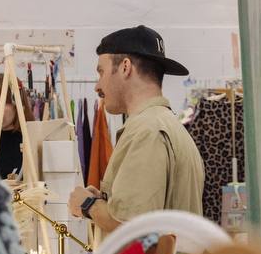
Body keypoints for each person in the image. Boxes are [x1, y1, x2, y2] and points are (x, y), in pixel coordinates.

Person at [67, 26, 204, 235]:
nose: (97, 86)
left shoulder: (147, 132)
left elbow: (133, 229)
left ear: (125, 67)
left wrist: (87, 205)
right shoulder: (167, 125)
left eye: (101, 72)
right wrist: (105, 202)